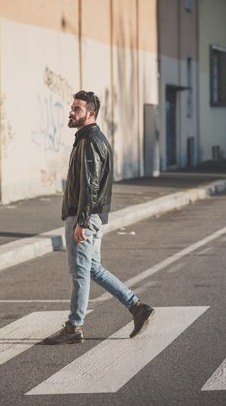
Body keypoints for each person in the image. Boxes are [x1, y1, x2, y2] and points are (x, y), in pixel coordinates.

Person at [44, 90, 155, 345]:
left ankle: (74, 326)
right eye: (72, 107)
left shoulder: (90, 141)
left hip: (84, 217)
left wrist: (81, 221)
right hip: (92, 216)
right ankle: (137, 307)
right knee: (92, 268)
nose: (71, 112)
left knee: (81, 273)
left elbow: (90, 184)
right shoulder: (90, 139)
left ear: (91, 113)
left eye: (77, 109)